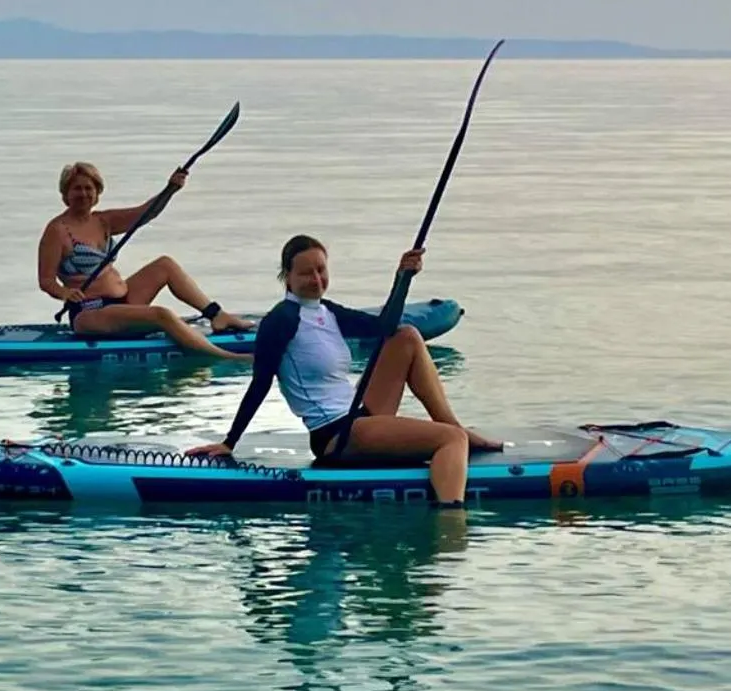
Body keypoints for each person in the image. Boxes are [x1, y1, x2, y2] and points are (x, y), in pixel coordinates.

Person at [187, 235, 500, 506]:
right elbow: (260, 383)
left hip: (358, 416)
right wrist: (230, 442)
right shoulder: (281, 320)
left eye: (321, 270)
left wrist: (402, 277)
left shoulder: (328, 311)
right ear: (288, 276)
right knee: (450, 440)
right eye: (306, 273)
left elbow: (385, 326)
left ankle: (452, 423)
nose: (317, 279)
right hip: (336, 435)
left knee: (406, 337)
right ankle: (450, 518)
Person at [37, 160, 252, 361]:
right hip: (90, 312)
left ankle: (217, 315)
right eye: (77, 189)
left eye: (88, 188)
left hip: (125, 300)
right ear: (65, 193)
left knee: (164, 265)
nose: (83, 194)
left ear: (97, 192)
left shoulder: (103, 220)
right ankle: (227, 358)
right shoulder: (57, 231)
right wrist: (65, 293)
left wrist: (170, 189)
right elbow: (46, 281)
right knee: (161, 314)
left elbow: (146, 213)